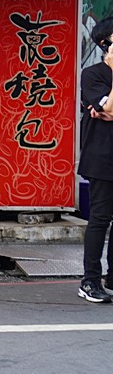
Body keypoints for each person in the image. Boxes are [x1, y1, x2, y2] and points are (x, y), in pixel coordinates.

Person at [78, 17, 113, 304]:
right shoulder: (93, 74)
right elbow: (108, 109)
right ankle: (90, 279)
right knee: (100, 218)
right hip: (103, 157)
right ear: (106, 44)